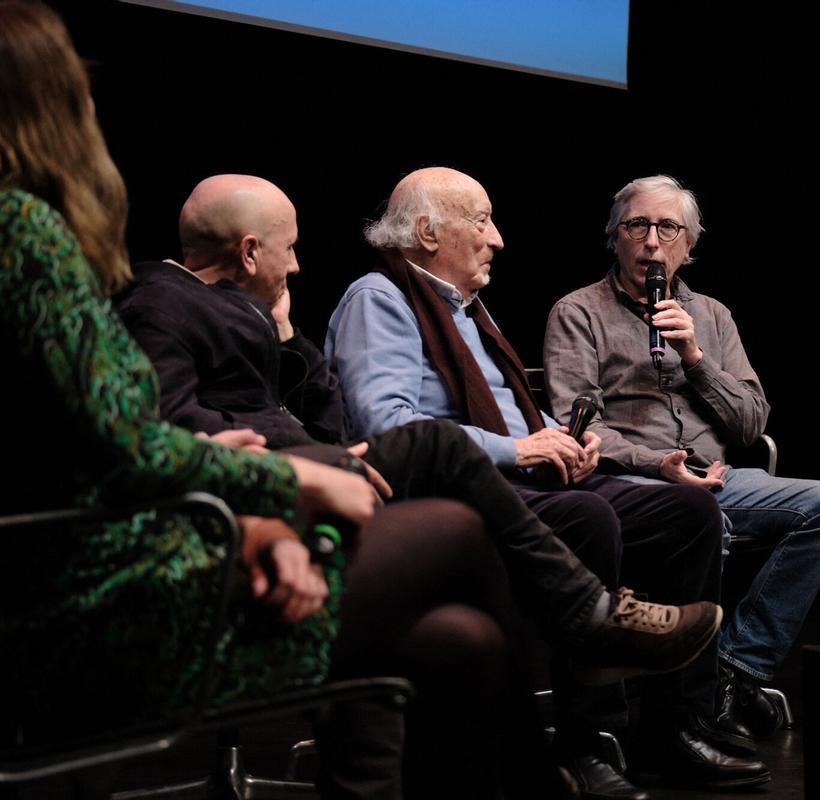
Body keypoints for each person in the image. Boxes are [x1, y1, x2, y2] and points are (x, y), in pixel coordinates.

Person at [0, 5, 550, 797]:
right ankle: (555, 743)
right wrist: (286, 485)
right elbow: (126, 447)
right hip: (108, 610)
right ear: (48, 104)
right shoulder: (16, 233)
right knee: (454, 528)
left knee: (461, 642)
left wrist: (233, 485)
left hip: (68, 583)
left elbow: (71, 443)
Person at [114, 174, 722, 677]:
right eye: (290, 248)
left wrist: (287, 336)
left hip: (329, 467)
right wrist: (277, 460)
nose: (299, 265)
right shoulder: (164, 302)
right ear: (249, 251)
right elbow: (168, 418)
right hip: (287, 487)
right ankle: (584, 675)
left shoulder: (254, 314)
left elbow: (326, 422)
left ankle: (665, 708)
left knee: (685, 513)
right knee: (478, 466)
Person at [327, 167, 770, 797]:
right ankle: (587, 740)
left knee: (685, 513)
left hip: (527, 475)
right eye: (481, 220)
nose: (499, 238)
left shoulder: (466, 311)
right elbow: (391, 427)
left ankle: (676, 727)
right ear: (427, 231)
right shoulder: (381, 298)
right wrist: (521, 446)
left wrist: (568, 439)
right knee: (590, 518)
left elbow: (520, 417)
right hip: (453, 494)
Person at [543, 174, 820, 752]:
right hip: (632, 483)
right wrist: (656, 461)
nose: (652, 242)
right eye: (637, 225)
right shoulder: (577, 311)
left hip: (722, 478)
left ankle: (734, 672)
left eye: (669, 228)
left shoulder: (711, 314)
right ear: (614, 238)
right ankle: (684, 709)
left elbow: (750, 423)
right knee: (702, 519)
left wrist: (694, 356)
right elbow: (575, 423)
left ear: (690, 244)